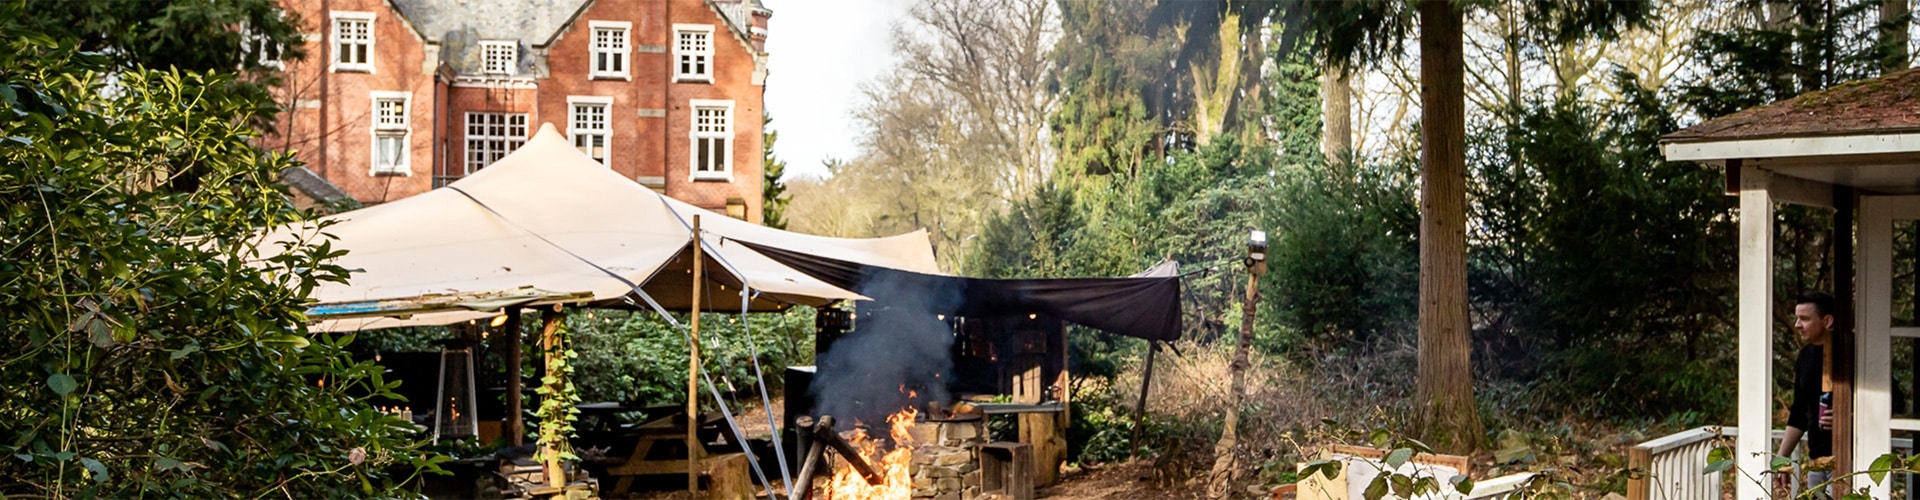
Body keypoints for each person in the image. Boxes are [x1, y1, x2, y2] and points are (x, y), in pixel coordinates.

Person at [1775, 292, 1835, 494]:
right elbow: (1799, 412)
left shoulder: (1852, 352)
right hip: (1817, 459)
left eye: (1805, 319)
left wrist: (1850, 417)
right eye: (1797, 318)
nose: (1797, 324)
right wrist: (1781, 459)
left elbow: (1893, 401)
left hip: (1850, 457)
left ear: (1827, 321)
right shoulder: (1805, 356)